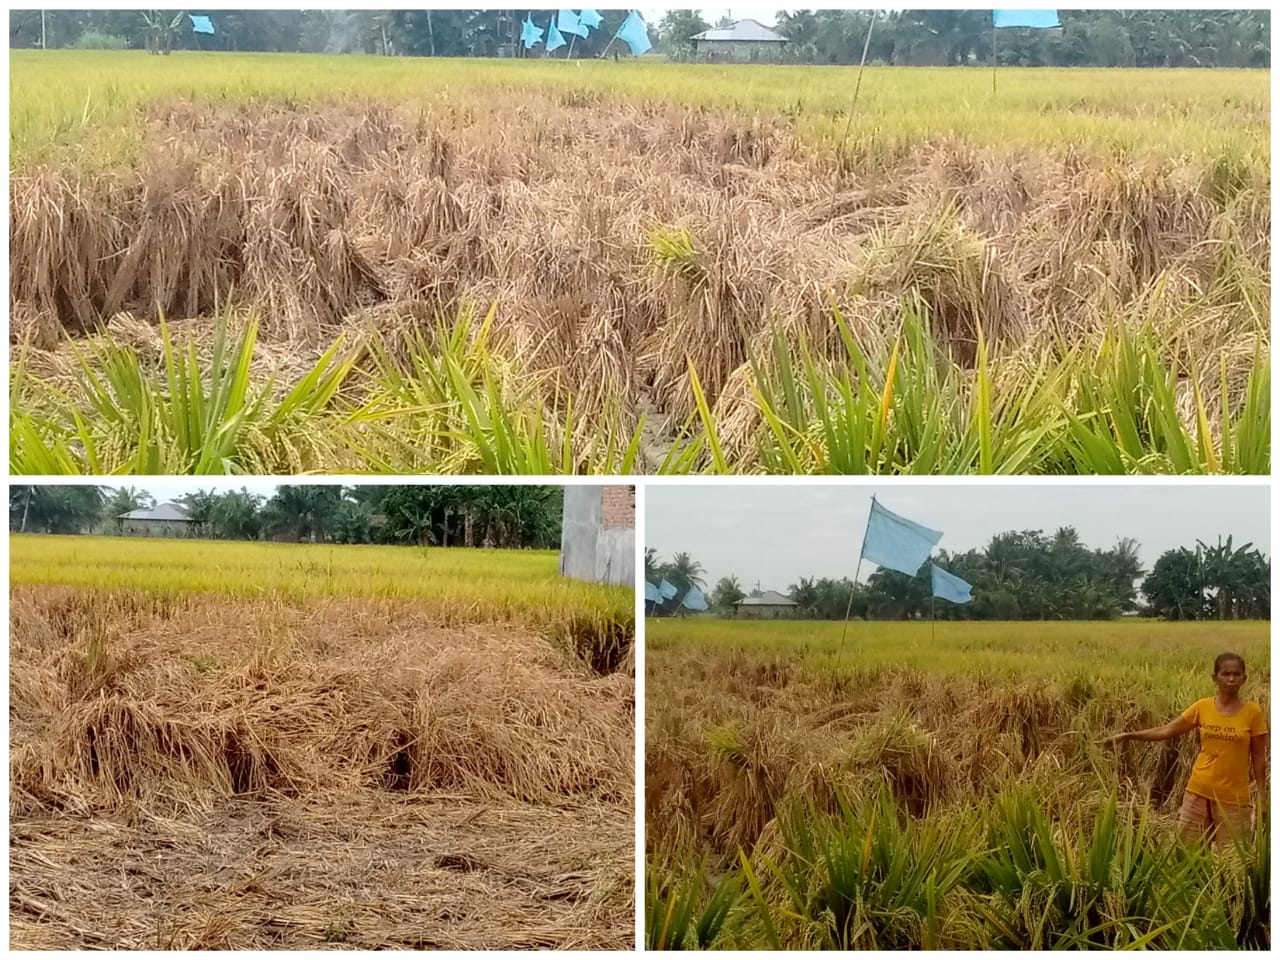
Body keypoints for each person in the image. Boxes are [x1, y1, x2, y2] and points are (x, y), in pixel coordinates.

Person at [1104, 652, 1267, 846]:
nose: (1231, 679)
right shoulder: (1202, 707)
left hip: (1233, 800)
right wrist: (1129, 736)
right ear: (1214, 678)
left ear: (1244, 678)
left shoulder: (1252, 713)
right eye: (1225, 674)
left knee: (1234, 865)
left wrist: (1262, 795)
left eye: (1236, 674)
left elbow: (1258, 757)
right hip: (1197, 793)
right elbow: (1167, 730)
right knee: (1187, 856)